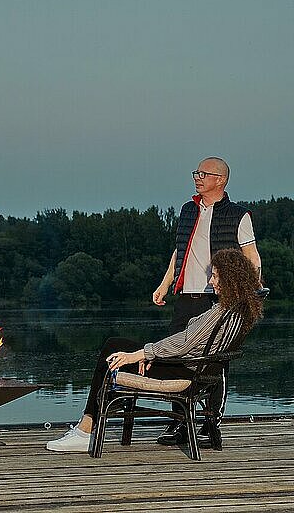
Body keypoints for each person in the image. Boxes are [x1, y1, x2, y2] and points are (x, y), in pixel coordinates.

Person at [46, 248, 263, 452]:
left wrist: (141, 354)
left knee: (113, 348)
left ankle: (85, 430)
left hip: (184, 371)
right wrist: (151, 353)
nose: (210, 281)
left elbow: (186, 342)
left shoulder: (221, 312)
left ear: (231, 278)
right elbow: (188, 343)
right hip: (190, 367)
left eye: (215, 276)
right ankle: (87, 426)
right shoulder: (236, 309)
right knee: (116, 347)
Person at [153, 156, 261, 446]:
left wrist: (249, 292)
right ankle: (179, 422)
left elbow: (252, 257)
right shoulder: (188, 210)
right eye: (196, 172)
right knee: (176, 356)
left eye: (203, 173)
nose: (197, 177)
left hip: (218, 298)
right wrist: (165, 284)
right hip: (186, 295)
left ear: (220, 180)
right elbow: (179, 252)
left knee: (215, 363)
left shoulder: (239, 215)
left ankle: (210, 422)